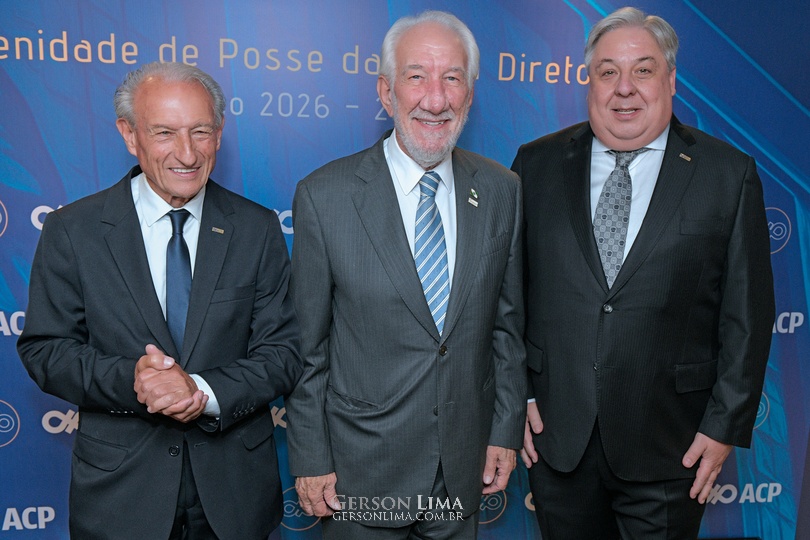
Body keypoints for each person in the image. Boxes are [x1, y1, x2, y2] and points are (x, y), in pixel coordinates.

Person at [512, 6, 775, 539]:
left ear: (671, 80)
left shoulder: (728, 174)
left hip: (672, 449)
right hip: (558, 442)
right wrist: (517, 396)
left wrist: (724, 425)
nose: (624, 88)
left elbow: (747, 316)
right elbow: (506, 296)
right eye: (608, 71)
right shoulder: (535, 165)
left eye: (643, 70)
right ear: (589, 81)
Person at [17, 62, 301, 540]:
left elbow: (284, 353)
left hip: (235, 497)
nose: (187, 153)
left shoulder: (256, 229)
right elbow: (46, 350)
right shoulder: (73, 230)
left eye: (200, 131)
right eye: (165, 132)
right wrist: (135, 380)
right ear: (130, 135)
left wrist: (201, 392)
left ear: (219, 133)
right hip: (120, 497)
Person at [285, 10, 526, 539]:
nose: (435, 100)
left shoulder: (502, 190)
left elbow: (506, 330)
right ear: (386, 91)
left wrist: (505, 430)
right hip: (359, 476)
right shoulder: (324, 197)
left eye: (452, 78)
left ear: (470, 93)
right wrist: (310, 457)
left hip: (462, 471)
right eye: (417, 76)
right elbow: (307, 349)